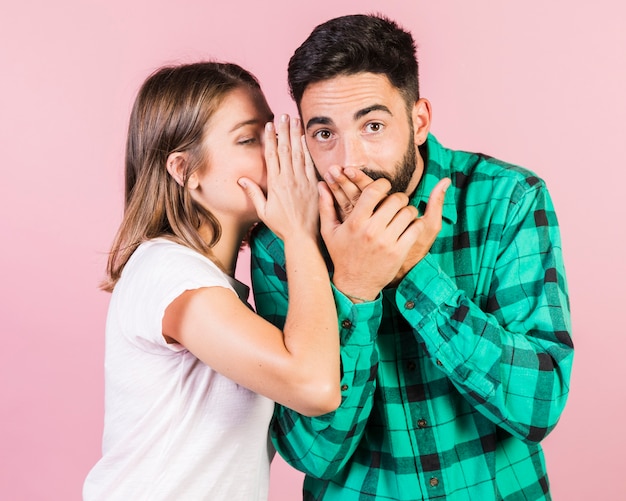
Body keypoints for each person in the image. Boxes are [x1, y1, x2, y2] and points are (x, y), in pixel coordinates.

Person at [250, 14, 573, 501]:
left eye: (373, 125)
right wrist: (354, 292)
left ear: (419, 120)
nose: (347, 159)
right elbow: (311, 453)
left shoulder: (509, 198)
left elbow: (538, 405)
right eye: (324, 134)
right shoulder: (283, 241)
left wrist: (412, 273)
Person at [83, 61, 342, 500]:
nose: (277, 151)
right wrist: (298, 230)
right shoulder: (168, 271)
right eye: (248, 138)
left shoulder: (209, 282)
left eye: (271, 132)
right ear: (185, 170)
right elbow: (314, 386)